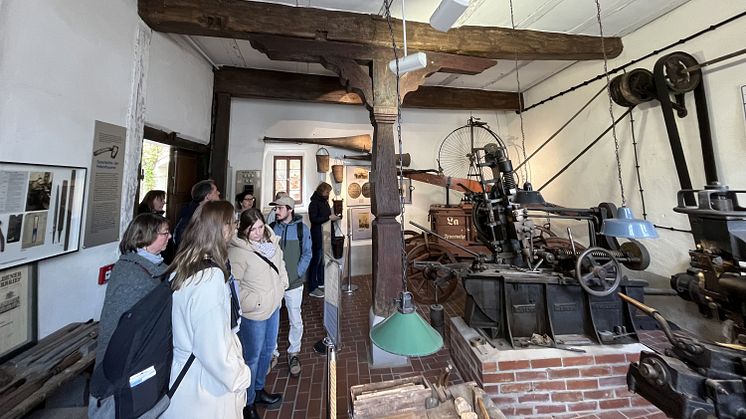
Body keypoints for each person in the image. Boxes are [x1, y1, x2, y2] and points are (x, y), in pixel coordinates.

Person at [162, 201, 250, 419]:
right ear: (222, 229)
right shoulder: (209, 279)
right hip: (204, 388)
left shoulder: (184, 265)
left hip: (189, 375)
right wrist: (240, 376)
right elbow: (213, 349)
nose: (236, 228)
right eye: (233, 223)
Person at [89, 213, 171, 416]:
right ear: (147, 237)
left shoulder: (153, 266)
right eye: (165, 233)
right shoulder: (130, 274)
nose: (169, 237)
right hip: (125, 365)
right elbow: (122, 329)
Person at [229, 208, 287, 419]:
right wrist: (256, 301)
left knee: (267, 351)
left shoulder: (272, 243)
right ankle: (248, 401)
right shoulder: (238, 252)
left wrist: (282, 286)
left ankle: (259, 388)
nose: (257, 232)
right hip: (254, 313)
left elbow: (280, 266)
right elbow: (234, 287)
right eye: (252, 229)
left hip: (273, 308)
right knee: (252, 357)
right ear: (244, 230)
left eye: (260, 227)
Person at [269, 196, 311, 377]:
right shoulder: (271, 229)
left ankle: (294, 352)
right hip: (274, 283)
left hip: (294, 283)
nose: (276, 211)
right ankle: (273, 352)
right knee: (272, 319)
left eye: (279, 208)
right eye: (276, 208)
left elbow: (308, 253)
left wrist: (296, 273)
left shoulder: (302, 229)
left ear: (290, 209)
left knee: (295, 318)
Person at [307, 182, 340, 298]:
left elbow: (326, 216)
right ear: (321, 191)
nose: (328, 194)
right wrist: (329, 217)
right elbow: (314, 219)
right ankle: (312, 286)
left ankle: (321, 282)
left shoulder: (324, 202)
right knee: (316, 259)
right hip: (317, 235)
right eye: (327, 192)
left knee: (323, 259)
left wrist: (333, 217)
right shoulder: (314, 203)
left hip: (325, 235)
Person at [173, 179, 220, 247]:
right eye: (216, 191)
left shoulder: (204, 211)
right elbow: (180, 239)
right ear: (208, 196)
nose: (219, 193)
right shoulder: (192, 215)